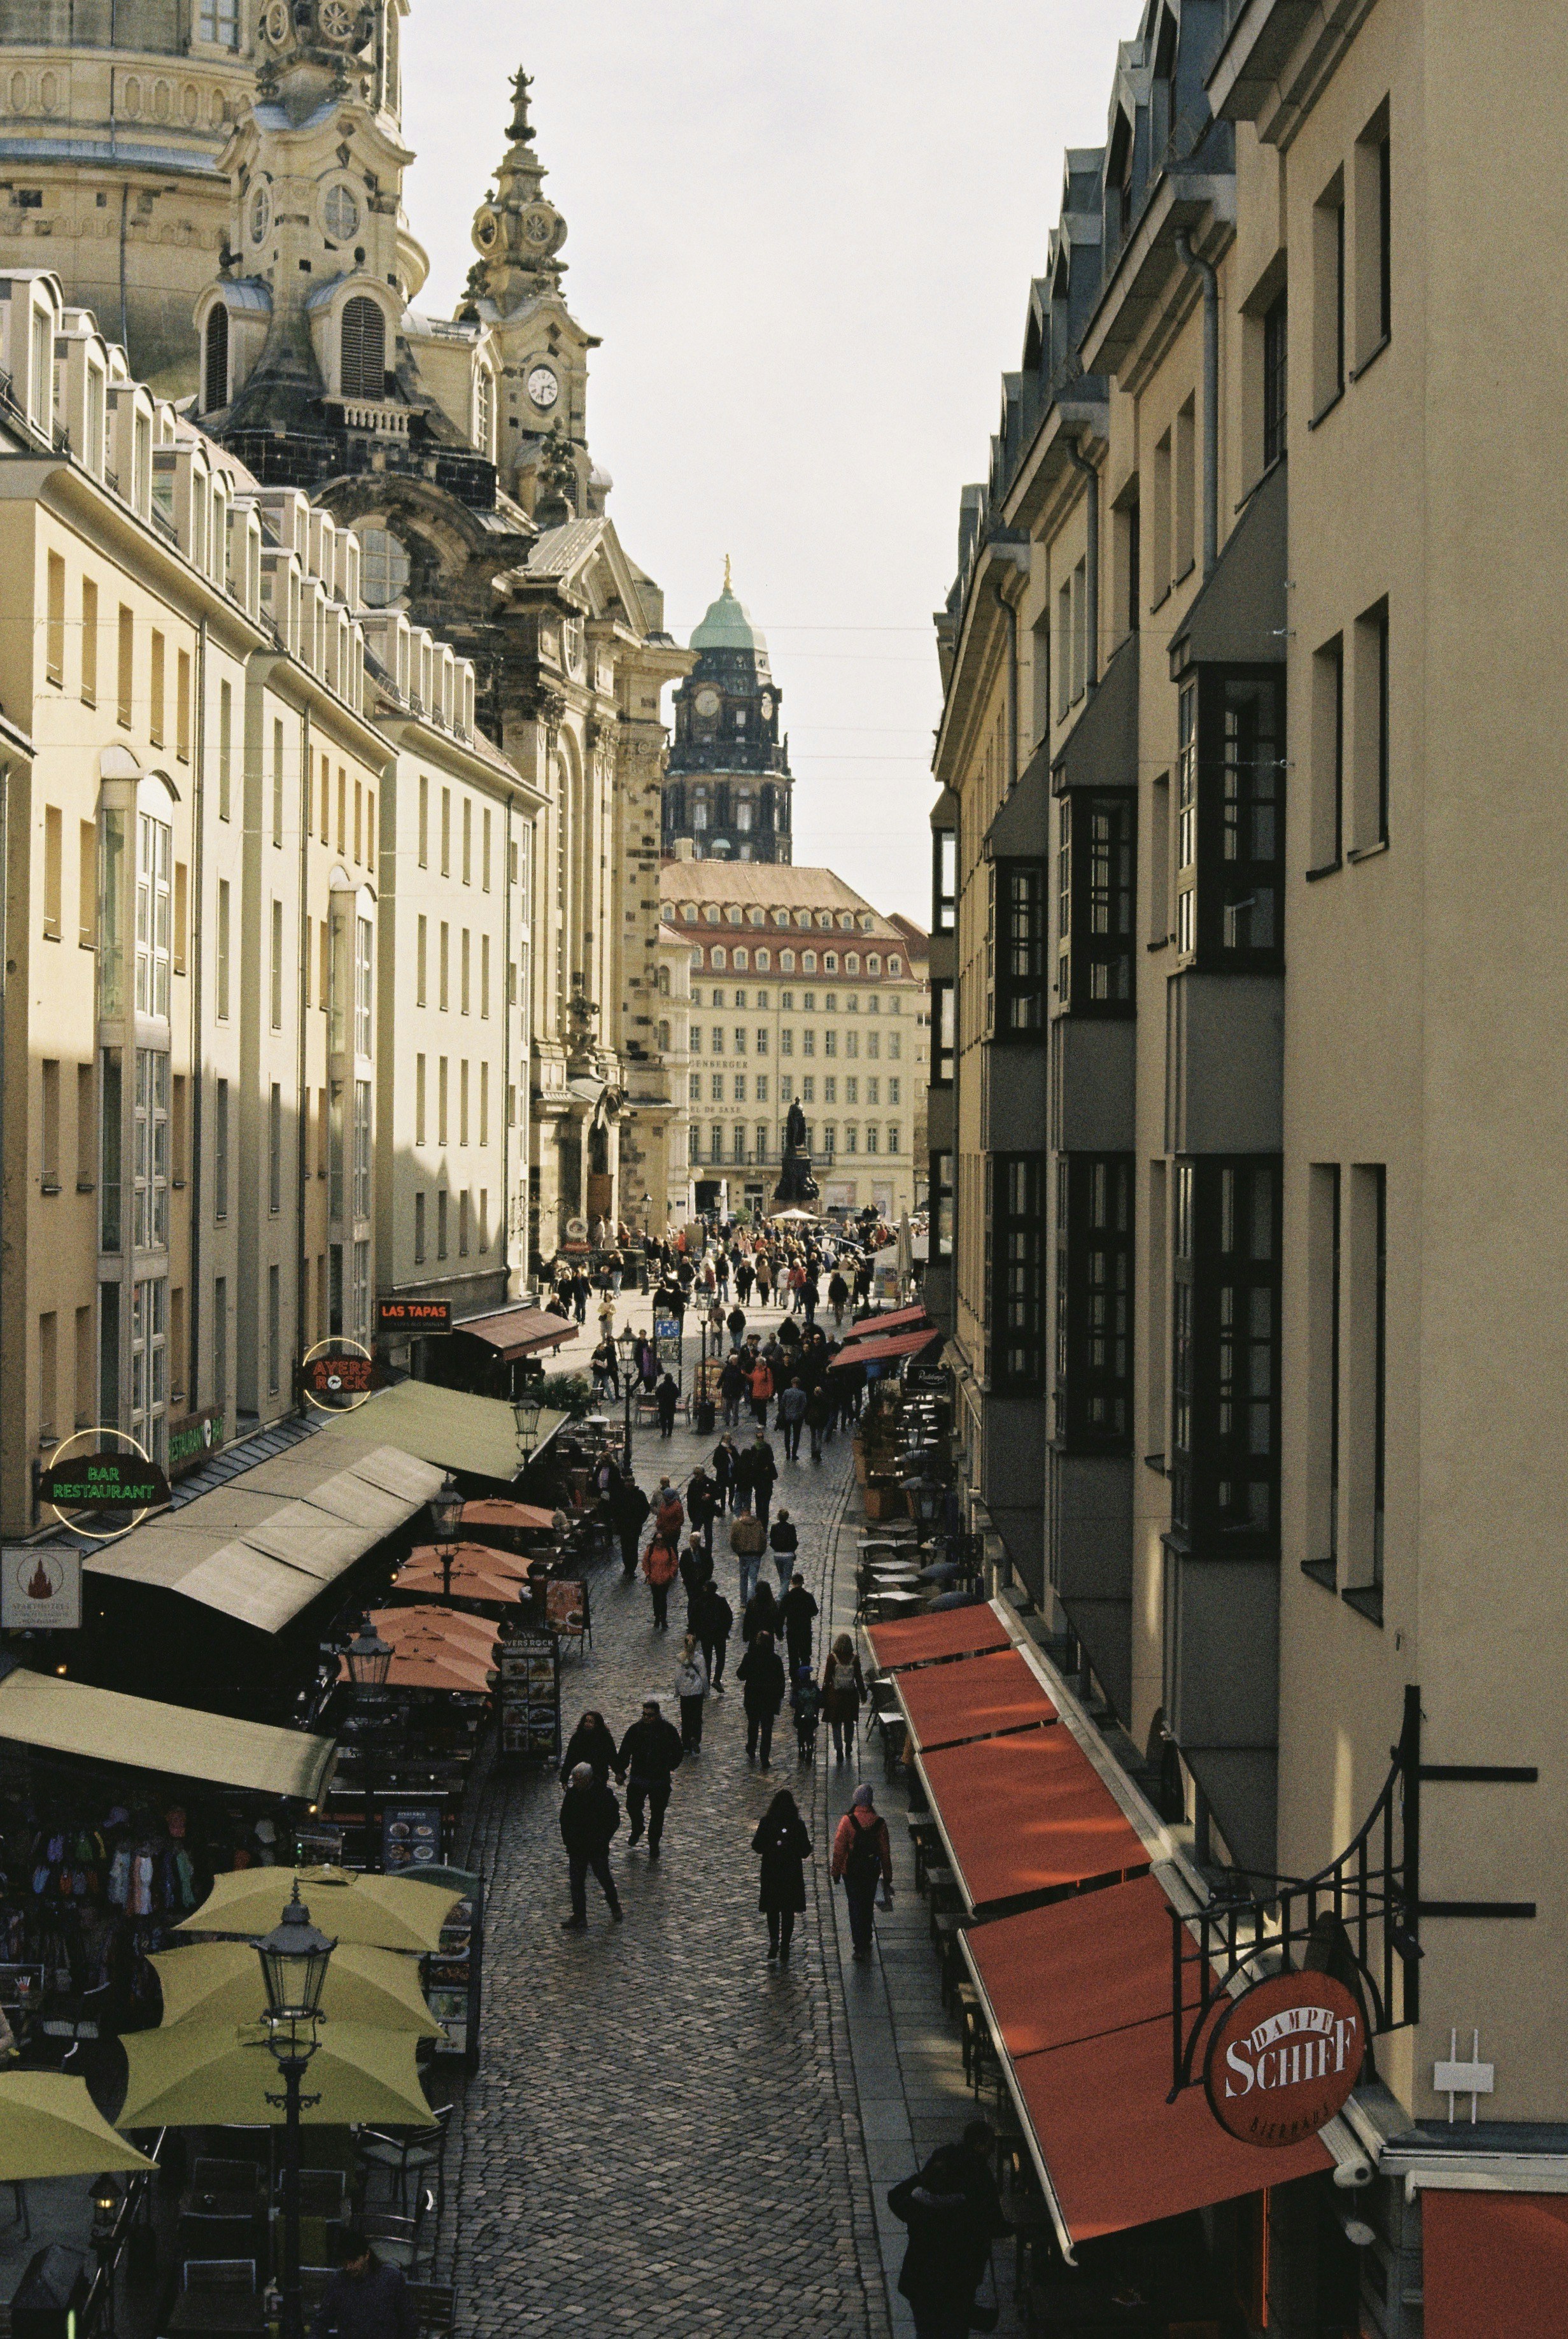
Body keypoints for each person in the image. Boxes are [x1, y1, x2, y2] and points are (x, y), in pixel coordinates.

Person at [886, 2143, 1003, 2339]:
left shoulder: (916, 2207)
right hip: (956, 2286)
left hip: (921, 2282)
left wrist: (919, 2178)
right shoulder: (966, 2212)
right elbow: (992, 2230)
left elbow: (894, 2195)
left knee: (927, 2332)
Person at [309, 2230, 420, 2339]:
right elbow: (322, 2321)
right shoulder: (338, 2281)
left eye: (354, 2261)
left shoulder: (390, 2279)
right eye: (345, 2262)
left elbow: (409, 2323)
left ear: (367, 2255)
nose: (348, 2267)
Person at [558, 1761, 623, 1932]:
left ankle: (614, 1906)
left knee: (604, 1877)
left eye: (578, 1779)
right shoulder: (573, 1795)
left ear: (588, 1779)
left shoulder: (603, 1794)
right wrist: (569, 1840)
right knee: (576, 1883)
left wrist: (602, 1839)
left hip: (596, 1847)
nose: (575, 1783)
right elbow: (565, 1819)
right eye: (574, 1779)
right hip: (577, 1847)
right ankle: (579, 1916)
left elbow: (613, 1821)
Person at [831, 1782, 893, 1962]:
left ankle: (858, 1945)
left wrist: (835, 1871)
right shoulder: (879, 1823)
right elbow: (885, 1851)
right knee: (867, 1905)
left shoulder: (847, 1821)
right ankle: (866, 1937)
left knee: (855, 1906)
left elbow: (839, 1848)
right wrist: (887, 1875)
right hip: (871, 1871)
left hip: (851, 1871)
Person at [616, 1697, 684, 1857]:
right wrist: (620, 1770)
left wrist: (669, 1766)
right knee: (633, 1807)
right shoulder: (635, 1730)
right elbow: (625, 1751)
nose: (646, 1718)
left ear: (658, 1715)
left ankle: (654, 1843)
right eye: (644, 1715)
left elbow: (678, 1751)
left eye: (650, 1715)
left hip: (659, 1780)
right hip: (638, 1778)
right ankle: (638, 1827)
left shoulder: (667, 1730)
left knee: (657, 1814)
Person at [751, 1788, 812, 1965]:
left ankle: (774, 1941)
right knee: (788, 1911)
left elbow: (757, 1846)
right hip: (791, 1875)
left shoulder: (766, 1822)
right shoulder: (798, 1825)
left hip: (771, 1873)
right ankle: (785, 1945)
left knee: (772, 1909)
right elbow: (805, 1851)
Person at [738, 1628, 786, 1768]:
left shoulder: (750, 1657)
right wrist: (779, 1696)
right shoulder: (776, 1660)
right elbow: (781, 1681)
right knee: (767, 1729)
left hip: (753, 1698)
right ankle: (764, 1756)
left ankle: (751, 1747)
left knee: (753, 1724)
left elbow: (741, 1675)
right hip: (769, 1700)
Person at [821, 1633, 866, 1763]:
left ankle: (839, 1748)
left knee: (836, 1723)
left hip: (836, 1696)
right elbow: (859, 1679)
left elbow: (827, 1678)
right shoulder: (855, 1659)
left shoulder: (832, 1658)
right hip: (851, 1697)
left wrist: (823, 1695)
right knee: (849, 1722)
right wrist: (863, 1694)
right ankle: (848, 1745)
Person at [559, 1709, 618, 1789]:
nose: (587, 1724)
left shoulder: (605, 1738)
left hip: (599, 1777)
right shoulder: (577, 1737)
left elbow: (612, 1757)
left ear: (597, 1724)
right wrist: (564, 1779)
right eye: (586, 1721)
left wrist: (619, 1772)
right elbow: (570, 1759)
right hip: (581, 1777)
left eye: (591, 1722)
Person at [696, 1577, 733, 1695]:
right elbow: (729, 1617)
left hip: (706, 1635)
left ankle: (706, 1683)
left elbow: (693, 1619)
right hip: (719, 1635)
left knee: (707, 1659)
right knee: (720, 1658)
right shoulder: (721, 1601)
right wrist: (725, 1630)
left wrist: (697, 1633)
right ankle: (717, 1679)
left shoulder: (699, 1602)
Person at [674, 1632, 709, 1754]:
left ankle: (686, 1743)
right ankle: (696, 1737)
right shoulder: (699, 1659)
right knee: (697, 1716)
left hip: (685, 1693)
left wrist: (677, 1691)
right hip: (697, 1691)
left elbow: (677, 1677)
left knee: (686, 1718)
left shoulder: (680, 1658)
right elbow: (704, 1676)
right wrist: (706, 1691)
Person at [641, 1525, 680, 1630]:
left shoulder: (668, 1550)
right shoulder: (650, 1550)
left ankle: (663, 1618)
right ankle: (657, 1617)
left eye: (661, 1540)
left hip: (664, 1580)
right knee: (656, 1599)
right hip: (654, 1579)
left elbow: (674, 1563)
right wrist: (648, 1574)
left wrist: (670, 1574)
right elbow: (645, 1562)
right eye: (658, 1540)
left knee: (663, 1600)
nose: (660, 1542)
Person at [612, 1475, 650, 1579]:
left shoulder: (640, 1494)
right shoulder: (621, 1494)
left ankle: (632, 1569)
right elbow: (615, 1509)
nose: (628, 1485)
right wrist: (617, 1521)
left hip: (634, 1527)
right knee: (625, 1548)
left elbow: (646, 1509)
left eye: (630, 1483)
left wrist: (640, 1521)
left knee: (633, 1548)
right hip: (623, 1526)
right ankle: (627, 1567)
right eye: (627, 1483)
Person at [780, 1571, 819, 1673]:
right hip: (805, 1630)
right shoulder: (808, 1597)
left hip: (792, 1631)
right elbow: (815, 1611)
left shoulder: (787, 1598)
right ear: (802, 1583)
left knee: (793, 1656)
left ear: (792, 1583)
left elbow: (781, 1613)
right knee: (805, 1655)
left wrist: (779, 1632)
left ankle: (794, 1678)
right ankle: (805, 1675)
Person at [730, 1505, 766, 1609]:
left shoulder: (737, 1524)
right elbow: (763, 1539)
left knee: (743, 1578)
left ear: (742, 1513)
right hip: (755, 1554)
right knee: (753, 1579)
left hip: (743, 1555)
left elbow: (733, 1540)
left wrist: (738, 1551)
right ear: (750, 1512)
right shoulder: (757, 1523)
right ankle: (752, 1601)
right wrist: (761, 1552)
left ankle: (743, 1601)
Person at [685, 1464, 719, 1560]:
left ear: (703, 1473)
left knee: (708, 1534)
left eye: (698, 1474)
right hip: (697, 1513)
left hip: (708, 1512)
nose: (696, 1476)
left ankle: (708, 1553)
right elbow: (690, 1501)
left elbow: (718, 1493)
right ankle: (694, 1552)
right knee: (694, 1534)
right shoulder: (692, 1485)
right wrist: (691, 1515)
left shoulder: (710, 1483)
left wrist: (710, 1496)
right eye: (695, 1474)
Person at [791, 1663, 821, 1761]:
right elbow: (820, 1699)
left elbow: (793, 1702)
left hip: (800, 1716)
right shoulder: (813, 1687)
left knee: (801, 1733)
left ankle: (801, 1748)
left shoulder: (797, 1688)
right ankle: (810, 1748)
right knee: (810, 1733)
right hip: (812, 1715)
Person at [750, 1430, 779, 1528]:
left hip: (764, 1485)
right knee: (761, 1505)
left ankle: (763, 1525)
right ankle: (761, 1524)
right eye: (759, 1437)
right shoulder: (754, 1448)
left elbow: (772, 1459)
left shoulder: (767, 1447)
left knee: (763, 1506)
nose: (760, 1439)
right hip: (760, 1485)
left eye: (762, 1437)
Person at [768, 1507, 800, 1595]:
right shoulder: (791, 1527)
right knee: (787, 1579)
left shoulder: (774, 1527)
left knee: (782, 1578)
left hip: (777, 1555)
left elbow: (772, 1541)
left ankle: (785, 1596)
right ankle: (780, 1597)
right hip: (788, 1555)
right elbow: (794, 1542)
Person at [778, 1375, 808, 1460]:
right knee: (796, 1436)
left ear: (792, 1383)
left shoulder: (786, 1392)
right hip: (797, 1417)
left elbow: (782, 1403)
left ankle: (788, 1453)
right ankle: (794, 1454)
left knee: (787, 1435)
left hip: (787, 1416)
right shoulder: (802, 1394)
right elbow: (804, 1406)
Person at [804, 1380, 833, 1463]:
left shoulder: (811, 1400)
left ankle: (813, 1452)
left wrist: (806, 1418)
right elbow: (827, 1412)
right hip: (821, 1421)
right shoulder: (825, 1401)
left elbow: (806, 1410)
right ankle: (818, 1453)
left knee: (813, 1436)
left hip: (812, 1421)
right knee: (819, 1437)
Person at [711, 1432, 739, 1513]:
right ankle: (723, 1507)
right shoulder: (719, 1449)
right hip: (723, 1474)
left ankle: (730, 1503)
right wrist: (722, 1468)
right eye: (727, 1439)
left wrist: (732, 1453)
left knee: (732, 1490)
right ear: (723, 1439)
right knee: (722, 1491)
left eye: (730, 1439)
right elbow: (715, 1462)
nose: (729, 1440)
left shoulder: (732, 1448)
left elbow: (737, 1458)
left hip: (732, 1473)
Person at [655, 1371, 679, 1438]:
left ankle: (664, 1433)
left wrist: (660, 1399)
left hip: (663, 1405)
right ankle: (670, 1433)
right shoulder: (673, 1386)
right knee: (671, 1420)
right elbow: (677, 1394)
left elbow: (657, 1394)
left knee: (663, 1420)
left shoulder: (662, 1386)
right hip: (671, 1405)